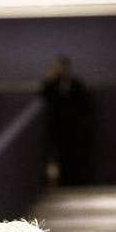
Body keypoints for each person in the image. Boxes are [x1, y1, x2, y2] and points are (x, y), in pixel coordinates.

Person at [40, 55, 94, 186]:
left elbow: (85, 105)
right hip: (57, 129)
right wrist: (48, 79)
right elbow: (42, 98)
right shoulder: (51, 85)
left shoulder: (76, 84)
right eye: (59, 67)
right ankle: (62, 182)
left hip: (75, 129)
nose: (61, 69)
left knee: (75, 158)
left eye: (63, 66)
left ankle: (76, 182)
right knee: (59, 158)